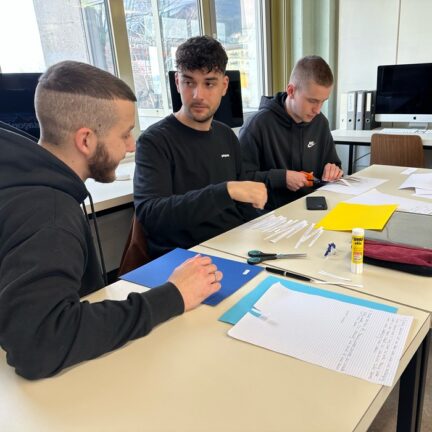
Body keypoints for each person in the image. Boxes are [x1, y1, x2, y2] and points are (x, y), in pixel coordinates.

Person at [0, 61, 222, 380]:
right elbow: (39, 345)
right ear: (86, 140)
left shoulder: (25, 179)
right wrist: (173, 295)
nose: (132, 145)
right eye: (125, 134)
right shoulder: (49, 214)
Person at [133, 36, 267, 259]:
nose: (198, 95)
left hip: (234, 247)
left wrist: (262, 231)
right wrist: (225, 191)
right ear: (177, 82)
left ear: (224, 86)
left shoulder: (226, 135)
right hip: (185, 258)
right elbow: (151, 215)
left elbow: (243, 204)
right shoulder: (154, 141)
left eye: (209, 83)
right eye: (189, 83)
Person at [239, 55, 343, 210]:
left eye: (323, 101)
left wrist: (333, 169)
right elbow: (240, 180)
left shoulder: (320, 122)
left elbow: (333, 163)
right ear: (291, 91)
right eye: (312, 101)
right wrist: (282, 178)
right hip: (272, 214)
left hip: (314, 207)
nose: (317, 110)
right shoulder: (256, 126)